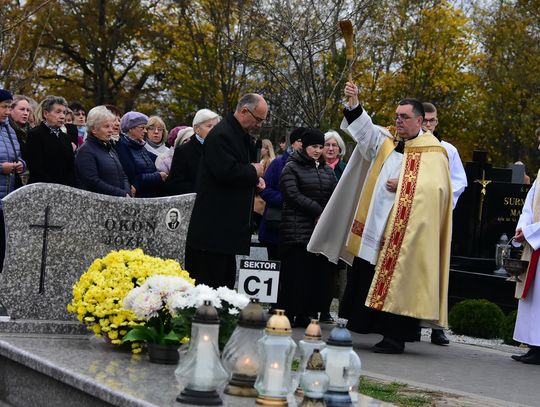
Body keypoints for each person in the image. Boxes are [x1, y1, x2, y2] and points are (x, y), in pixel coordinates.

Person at [308, 82, 452, 354]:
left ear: (420, 120)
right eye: (397, 115)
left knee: (397, 281)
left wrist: (406, 183)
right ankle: (366, 325)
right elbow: (364, 131)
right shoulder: (387, 139)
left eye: (404, 117)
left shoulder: (433, 150)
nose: (398, 120)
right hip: (375, 226)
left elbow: (437, 190)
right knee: (366, 275)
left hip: (404, 234)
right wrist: (354, 103)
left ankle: (395, 337)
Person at [185, 93, 267, 288]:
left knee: (225, 283)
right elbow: (225, 172)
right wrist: (252, 171)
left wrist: (254, 179)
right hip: (213, 230)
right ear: (244, 111)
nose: (259, 125)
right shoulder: (222, 135)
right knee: (210, 285)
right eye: (258, 119)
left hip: (226, 231)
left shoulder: (239, 135)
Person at [277, 128, 337, 327]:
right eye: (314, 146)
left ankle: (307, 313)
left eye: (321, 147)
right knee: (295, 275)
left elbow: (334, 194)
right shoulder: (291, 167)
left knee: (312, 275)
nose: (318, 150)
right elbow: (292, 195)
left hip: (317, 232)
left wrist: (327, 214)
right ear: (304, 146)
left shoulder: (327, 170)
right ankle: (290, 313)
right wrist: (318, 211)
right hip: (296, 230)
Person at [421, 101, 468, 345]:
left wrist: (443, 202)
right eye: (425, 120)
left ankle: (437, 326)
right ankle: (410, 324)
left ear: (437, 122)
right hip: (416, 217)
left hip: (438, 217)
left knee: (438, 269)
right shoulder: (410, 147)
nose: (429, 125)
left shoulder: (446, 149)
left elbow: (459, 182)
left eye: (432, 121)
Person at [511, 128, 540, 365]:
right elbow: (529, 203)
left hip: (537, 238)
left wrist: (530, 232)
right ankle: (533, 345)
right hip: (535, 243)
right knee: (533, 298)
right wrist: (523, 227)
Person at [259, 128, 304, 260]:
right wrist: (286, 200)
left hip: (300, 231)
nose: (302, 144)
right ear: (293, 143)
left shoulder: (313, 166)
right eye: (299, 141)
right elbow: (264, 189)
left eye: (305, 141)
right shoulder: (278, 163)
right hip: (276, 228)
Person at [318, 129, 349, 323]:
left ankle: (325, 309)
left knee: (332, 272)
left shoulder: (346, 169)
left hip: (338, 226)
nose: (330, 149)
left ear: (340, 149)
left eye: (334, 145)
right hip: (316, 222)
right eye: (327, 145)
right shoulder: (315, 166)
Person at [74, 106, 130, 197]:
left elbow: (123, 174)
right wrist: (121, 193)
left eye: (111, 126)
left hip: (119, 201)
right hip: (99, 204)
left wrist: (127, 191)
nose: (111, 130)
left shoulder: (109, 147)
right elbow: (92, 182)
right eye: (106, 126)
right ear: (94, 129)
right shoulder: (85, 151)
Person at [163, 109, 220, 195]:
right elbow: (175, 184)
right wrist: (202, 189)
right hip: (197, 203)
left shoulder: (222, 149)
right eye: (209, 126)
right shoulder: (183, 151)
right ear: (197, 129)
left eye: (216, 127)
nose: (214, 130)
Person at [0, 89, 26, 272]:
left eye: (9, 107)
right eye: (3, 107)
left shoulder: (9, 129)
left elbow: (19, 156)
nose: (7, 112)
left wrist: (20, 165)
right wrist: (1, 168)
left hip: (6, 198)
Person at [26, 96, 76, 186]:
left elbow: (71, 167)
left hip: (65, 190)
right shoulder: (35, 134)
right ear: (46, 114)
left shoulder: (66, 138)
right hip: (43, 189)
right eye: (58, 112)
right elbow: (36, 168)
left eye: (64, 112)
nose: (62, 116)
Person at [115, 111, 167, 197]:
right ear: (130, 128)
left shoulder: (140, 145)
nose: (145, 131)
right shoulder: (122, 146)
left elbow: (157, 161)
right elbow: (133, 177)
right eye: (142, 127)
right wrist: (158, 176)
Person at [9, 95, 32, 160]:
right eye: (22, 109)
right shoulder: (4, 130)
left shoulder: (32, 132)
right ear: (11, 110)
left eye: (28, 110)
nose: (26, 113)